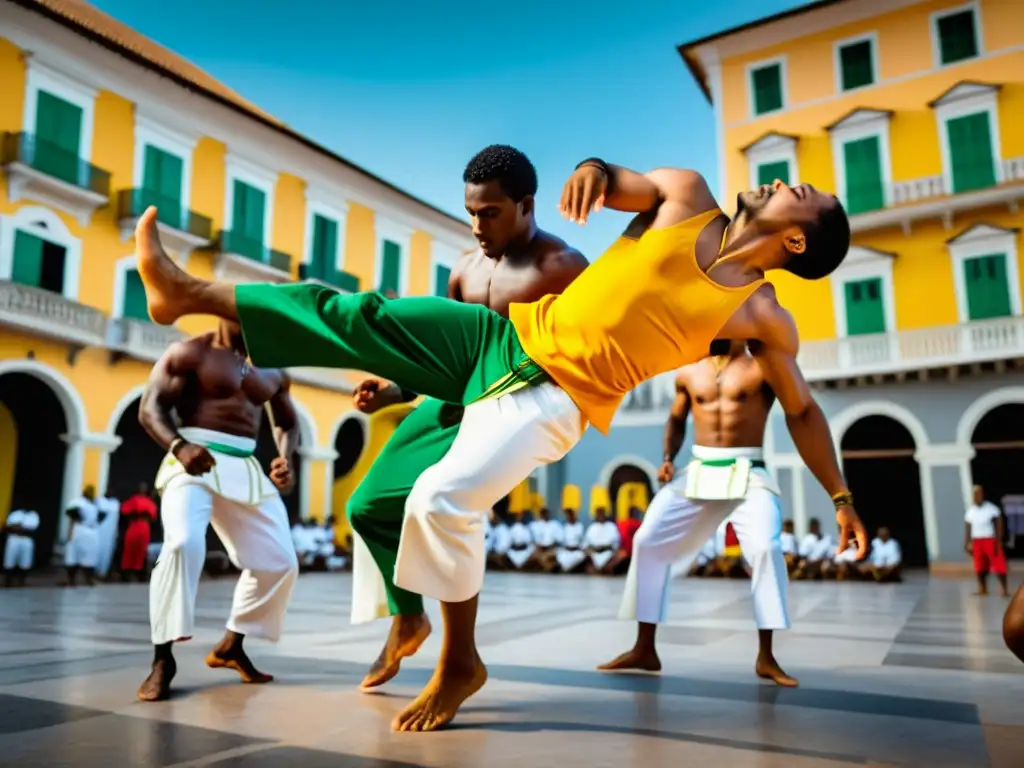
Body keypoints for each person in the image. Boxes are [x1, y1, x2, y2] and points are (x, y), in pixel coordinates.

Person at [133, 155, 866, 730]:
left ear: (796, 238)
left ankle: (460, 662)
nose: (780, 180)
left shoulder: (760, 314)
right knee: (361, 314)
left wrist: (839, 496)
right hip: (502, 338)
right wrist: (595, 174)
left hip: (557, 397)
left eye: (798, 190)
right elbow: (618, 182)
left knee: (442, 498)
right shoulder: (686, 193)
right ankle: (183, 293)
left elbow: (800, 411)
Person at [343, 147, 588, 716]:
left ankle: (461, 661)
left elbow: (581, 361)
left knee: (446, 503)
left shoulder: (563, 268)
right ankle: (408, 616)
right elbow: (445, 359)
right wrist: (396, 390)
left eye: (492, 213)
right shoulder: (464, 268)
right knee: (367, 505)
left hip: (515, 405)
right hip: (457, 398)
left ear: (526, 206)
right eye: (472, 213)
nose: (478, 226)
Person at [602, 338, 858, 686]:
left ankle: (766, 657)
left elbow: (801, 413)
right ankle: (644, 647)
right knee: (647, 540)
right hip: (698, 467)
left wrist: (840, 496)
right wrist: (667, 458)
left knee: (766, 549)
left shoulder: (763, 366)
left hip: (749, 467)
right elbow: (676, 419)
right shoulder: (689, 370)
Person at [135, 321, 300, 702]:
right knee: (182, 545)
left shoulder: (274, 367)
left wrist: (284, 457)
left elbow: (287, 423)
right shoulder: (190, 352)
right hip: (193, 458)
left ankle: (232, 644)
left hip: (244, 465)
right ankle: (163, 659)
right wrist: (179, 446)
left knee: (279, 562)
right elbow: (150, 409)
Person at [965, 485, 1009, 597]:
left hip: (990, 539)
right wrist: (967, 542)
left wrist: (998, 540)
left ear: (982, 495)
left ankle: (1004, 589)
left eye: (979, 494)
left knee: (999, 564)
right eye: (975, 494)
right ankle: (982, 588)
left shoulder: (991, 508)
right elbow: (968, 527)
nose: (977, 496)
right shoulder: (970, 511)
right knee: (979, 565)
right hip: (977, 540)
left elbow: (999, 523)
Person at [63, 486, 104, 586]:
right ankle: (71, 580)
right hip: (79, 529)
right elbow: (71, 516)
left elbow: (101, 516)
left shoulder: (95, 503)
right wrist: (70, 532)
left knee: (90, 556)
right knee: (74, 555)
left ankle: (88, 579)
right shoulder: (78, 502)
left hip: (92, 531)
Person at [120, 483, 158, 581]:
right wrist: (134, 515)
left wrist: (147, 517)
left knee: (141, 550)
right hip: (134, 526)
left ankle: (138, 573)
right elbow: (124, 510)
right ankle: (127, 573)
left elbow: (153, 517)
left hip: (144, 527)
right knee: (130, 549)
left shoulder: (149, 501)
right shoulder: (133, 499)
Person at [3, 508, 39, 587]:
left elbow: (33, 528)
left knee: (25, 561)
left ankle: (21, 581)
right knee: (10, 559)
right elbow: (9, 526)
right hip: (14, 538)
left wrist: (19, 527)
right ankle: (8, 580)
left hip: (27, 539)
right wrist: (19, 527)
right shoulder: (16, 513)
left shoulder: (33, 515)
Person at [584, 507, 621, 574]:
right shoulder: (592, 527)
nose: (600, 515)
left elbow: (616, 543)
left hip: (608, 553)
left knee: (620, 556)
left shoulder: (611, 526)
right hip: (594, 553)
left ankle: (605, 569)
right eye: (598, 513)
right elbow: (587, 543)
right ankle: (598, 569)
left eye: (602, 512)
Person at [555, 508, 586, 573]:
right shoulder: (565, 526)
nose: (570, 517)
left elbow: (582, 541)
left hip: (576, 551)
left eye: (571, 515)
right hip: (566, 551)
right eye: (568, 515)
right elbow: (561, 540)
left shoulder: (579, 526)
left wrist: (580, 547)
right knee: (560, 556)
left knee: (580, 556)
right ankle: (565, 570)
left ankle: (569, 570)